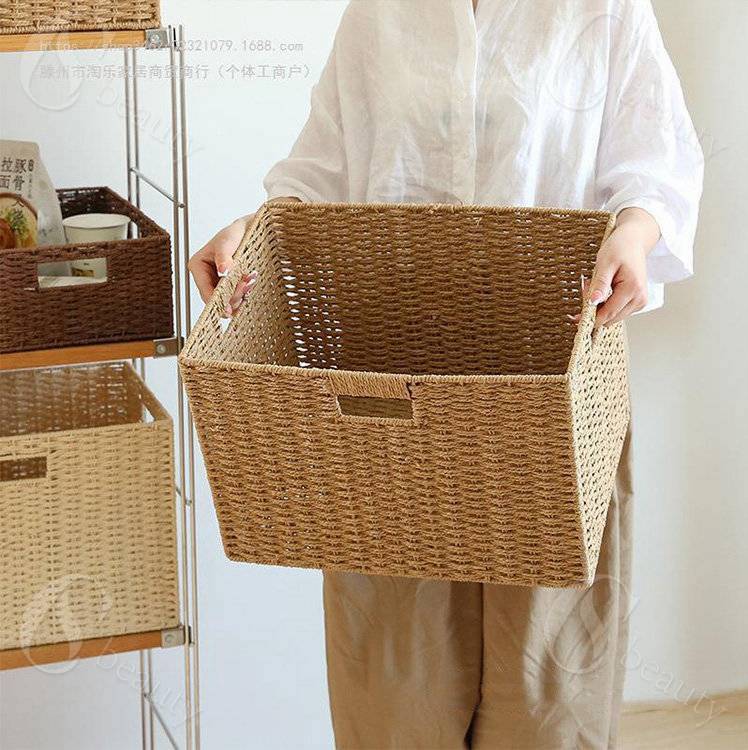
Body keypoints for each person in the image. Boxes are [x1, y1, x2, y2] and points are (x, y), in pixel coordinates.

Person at [189, 1, 704, 747]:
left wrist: (635, 230)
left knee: (546, 706)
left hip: (552, 412)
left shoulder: (603, 8)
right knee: (393, 700)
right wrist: (255, 230)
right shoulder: (379, 13)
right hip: (388, 414)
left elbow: (658, 162)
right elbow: (319, 169)